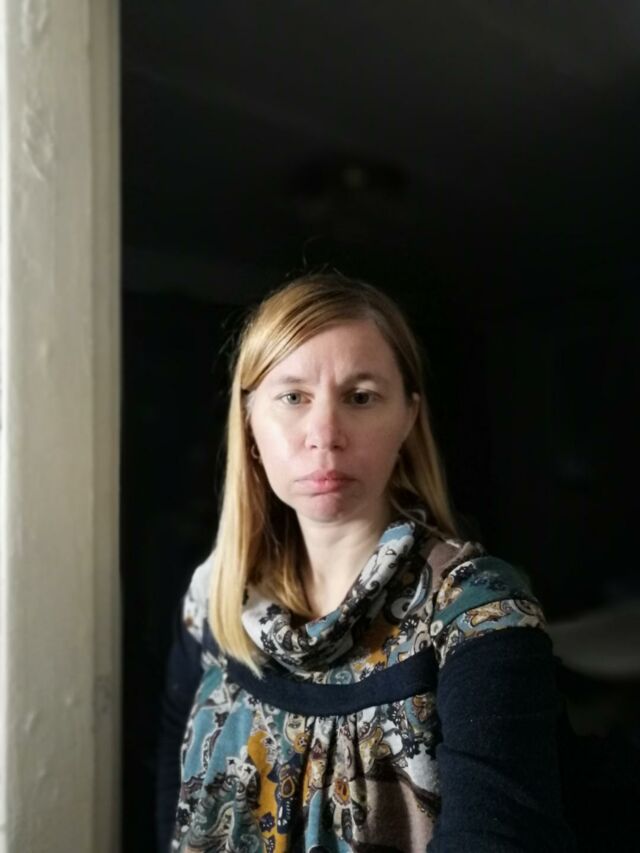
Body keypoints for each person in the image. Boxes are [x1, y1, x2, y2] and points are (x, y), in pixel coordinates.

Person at [156, 271, 576, 852]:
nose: (325, 434)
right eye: (293, 397)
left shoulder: (479, 615)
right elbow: (173, 802)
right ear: (249, 420)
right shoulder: (214, 601)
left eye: (360, 397)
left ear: (407, 418)